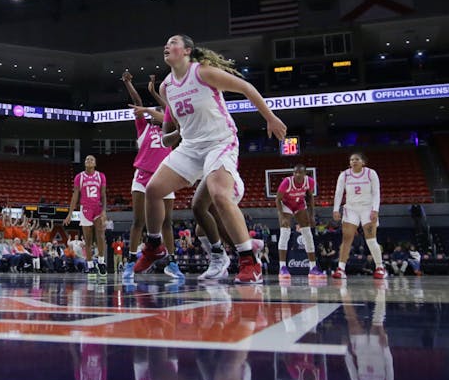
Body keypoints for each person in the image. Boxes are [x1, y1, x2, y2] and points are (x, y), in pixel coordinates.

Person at [134, 35, 287, 284]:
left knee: (218, 194)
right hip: (192, 147)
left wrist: (270, 117)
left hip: (220, 141)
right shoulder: (166, 87)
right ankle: (154, 245)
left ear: (187, 51)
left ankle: (249, 260)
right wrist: (170, 136)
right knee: (153, 189)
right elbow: (171, 129)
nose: (167, 45)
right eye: (166, 43)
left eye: (173, 42)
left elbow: (247, 87)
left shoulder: (203, 72)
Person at [120, 71, 179, 279]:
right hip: (143, 177)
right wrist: (129, 83)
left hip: (165, 177)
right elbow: (137, 102)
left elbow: (168, 114)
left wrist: (154, 94)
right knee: (138, 221)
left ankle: (172, 263)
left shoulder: (169, 129)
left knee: (167, 223)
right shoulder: (143, 127)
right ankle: (130, 262)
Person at [331, 152, 386, 280]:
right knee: (346, 239)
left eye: (356, 159)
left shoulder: (371, 173)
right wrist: (335, 209)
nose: (353, 161)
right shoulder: (344, 175)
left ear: (363, 162)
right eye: (351, 159)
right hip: (351, 209)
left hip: (368, 208)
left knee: (371, 239)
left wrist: (375, 210)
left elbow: (376, 192)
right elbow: (338, 193)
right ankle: (341, 269)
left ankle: (380, 267)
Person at [65, 155, 109, 277]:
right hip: (85, 209)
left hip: (98, 208)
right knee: (88, 240)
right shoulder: (79, 177)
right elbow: (75, 196)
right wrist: (70, 213)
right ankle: (90, 265)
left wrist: (104, 211)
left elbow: (103, 194)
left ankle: (101, 261)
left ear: (95, 163)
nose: (89, 161)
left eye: (91, 159)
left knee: (100, 235)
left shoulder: (101, 176)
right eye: (87, 160)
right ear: (85, 163)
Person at [276, 164, 322, 279]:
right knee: (285, 233)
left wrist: (311, 215)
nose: (297, 174)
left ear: (305, 174)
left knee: (308, 234)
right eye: (295, 172)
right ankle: (282, 267)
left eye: (300, 172)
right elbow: (278, 199)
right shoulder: (287, 182)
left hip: (299, 204)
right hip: (286, 205)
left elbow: (310, 197)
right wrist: (283, 216)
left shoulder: (310, 181)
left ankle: (313, 268)